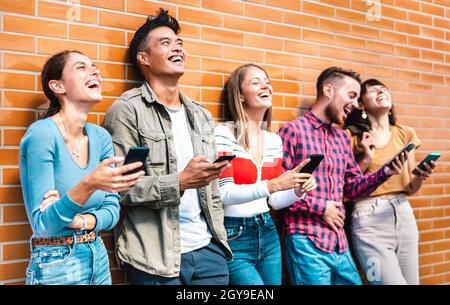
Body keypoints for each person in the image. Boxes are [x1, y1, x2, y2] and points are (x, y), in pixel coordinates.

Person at [103, 9, 232, 285]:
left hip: (209, 253)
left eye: (179, 43)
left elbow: (212, 190)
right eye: (165, 42)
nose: (177, 47)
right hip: (155, 260)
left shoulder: (201, 114)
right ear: (144, 58)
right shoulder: (127, 111)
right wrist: (181, 181)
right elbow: (122, 188)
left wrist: (217, 240)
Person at [20, 50, 145, 285]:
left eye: (94, 66)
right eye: (81, 67)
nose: (95, 71)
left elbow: (112, 210)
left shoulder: (101, 137)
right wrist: (90, 184)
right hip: (54, 263)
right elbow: (45, 224)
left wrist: (80, 221)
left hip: (97, 255)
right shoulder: (42, 134)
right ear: (57, 86)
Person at [278, 66, 408, 285]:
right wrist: (322, 207)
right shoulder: (293, 131)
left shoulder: (341, 138)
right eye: (351, 95)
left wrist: (385, 172)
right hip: (305, 240)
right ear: (328, 90)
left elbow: (353, 188)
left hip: (339, 241)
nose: (356, 105)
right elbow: (279, 190)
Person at [215, 64, 317, 285]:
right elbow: (222, 193)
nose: (266, 86)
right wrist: (273, 184)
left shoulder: (274, 140)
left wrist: (297, 191)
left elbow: (274, 201)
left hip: (268, 231)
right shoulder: (222, 134)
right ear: (240, 95)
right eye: (256, 82)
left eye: (267, 82)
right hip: (233, 234)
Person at [344, 79, 436, 285]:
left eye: (383, 88)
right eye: (373, 89)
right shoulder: (352, 137)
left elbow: (410, 187)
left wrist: (420, 175)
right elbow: (345, 189)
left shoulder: (406, 133)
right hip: (369, 218)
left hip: (403, 213)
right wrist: (365, 158)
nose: (381, 90)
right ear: (361, 104)